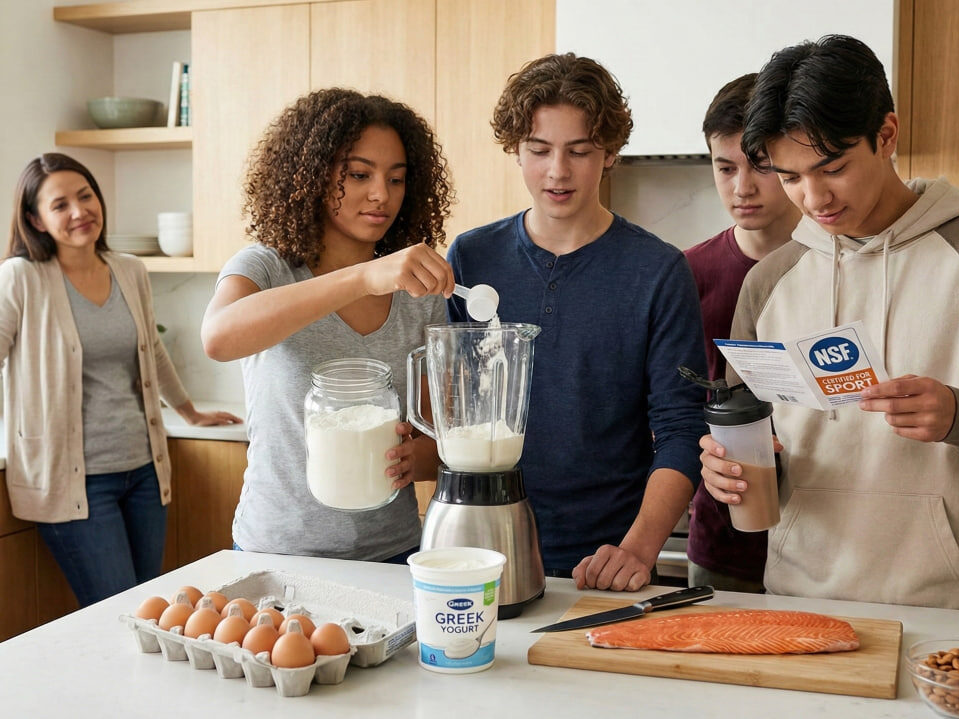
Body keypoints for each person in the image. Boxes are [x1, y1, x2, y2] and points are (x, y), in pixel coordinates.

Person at [700, 35, 959, 609]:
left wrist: (957, 415)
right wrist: (729, 466)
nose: (814, 198)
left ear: (886, 135)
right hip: (798, 594)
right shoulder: (769, 281)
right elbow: (753, 432)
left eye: (832, 168)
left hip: (946, 605)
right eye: (790, 177)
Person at [446, 53, 707, 592]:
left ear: (609, 153)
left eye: (579, 151)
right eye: (539, 150)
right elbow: (453, 409)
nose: (557, 171)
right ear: (515, 149)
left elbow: (682, 429)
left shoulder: (657, 271)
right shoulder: (472, 259)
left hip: (605, 565)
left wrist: (638, 548)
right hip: (478, 551)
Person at [201, 88, 454, 563]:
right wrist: (361, 276)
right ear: (312, 176)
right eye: (359, 174)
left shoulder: (416, 295)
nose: (381, 194)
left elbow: (435, 434)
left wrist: (417, 458)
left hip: (394, 552)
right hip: (276, 553)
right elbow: (218, 338)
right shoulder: (265, 268)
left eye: (396, 179)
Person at [0, 153, 242, 607]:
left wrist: (189, 412)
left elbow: (152, 350)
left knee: (148, 607)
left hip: (144, 472)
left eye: (85, 195)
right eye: (60, 205)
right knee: (119, 611)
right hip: (75, 483)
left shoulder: (128, 270)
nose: (79, 211)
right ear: (34, 218)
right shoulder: (21, 278)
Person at [684, 74, 800, 593]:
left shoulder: (835, 266)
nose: (741, 187)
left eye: (760, 166)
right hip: (721, 540)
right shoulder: (684, 274)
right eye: (725, 167)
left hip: (826, 538)